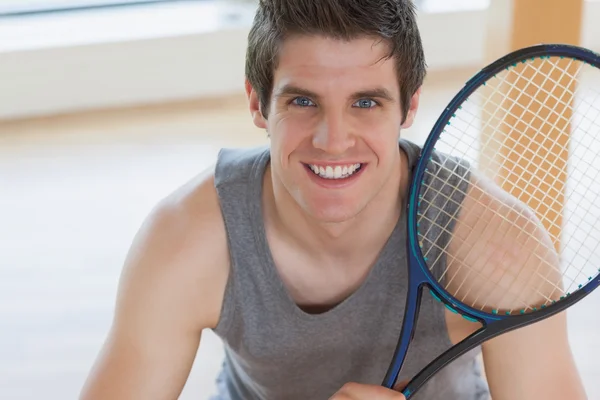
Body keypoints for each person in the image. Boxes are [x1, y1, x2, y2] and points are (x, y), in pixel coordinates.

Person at [78, 0, 587, 399]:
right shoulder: (186, 239)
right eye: (303, 101)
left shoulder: (498, 245)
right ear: (258, 102)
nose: (333, 139)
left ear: (409, 105)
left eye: (365, 102)